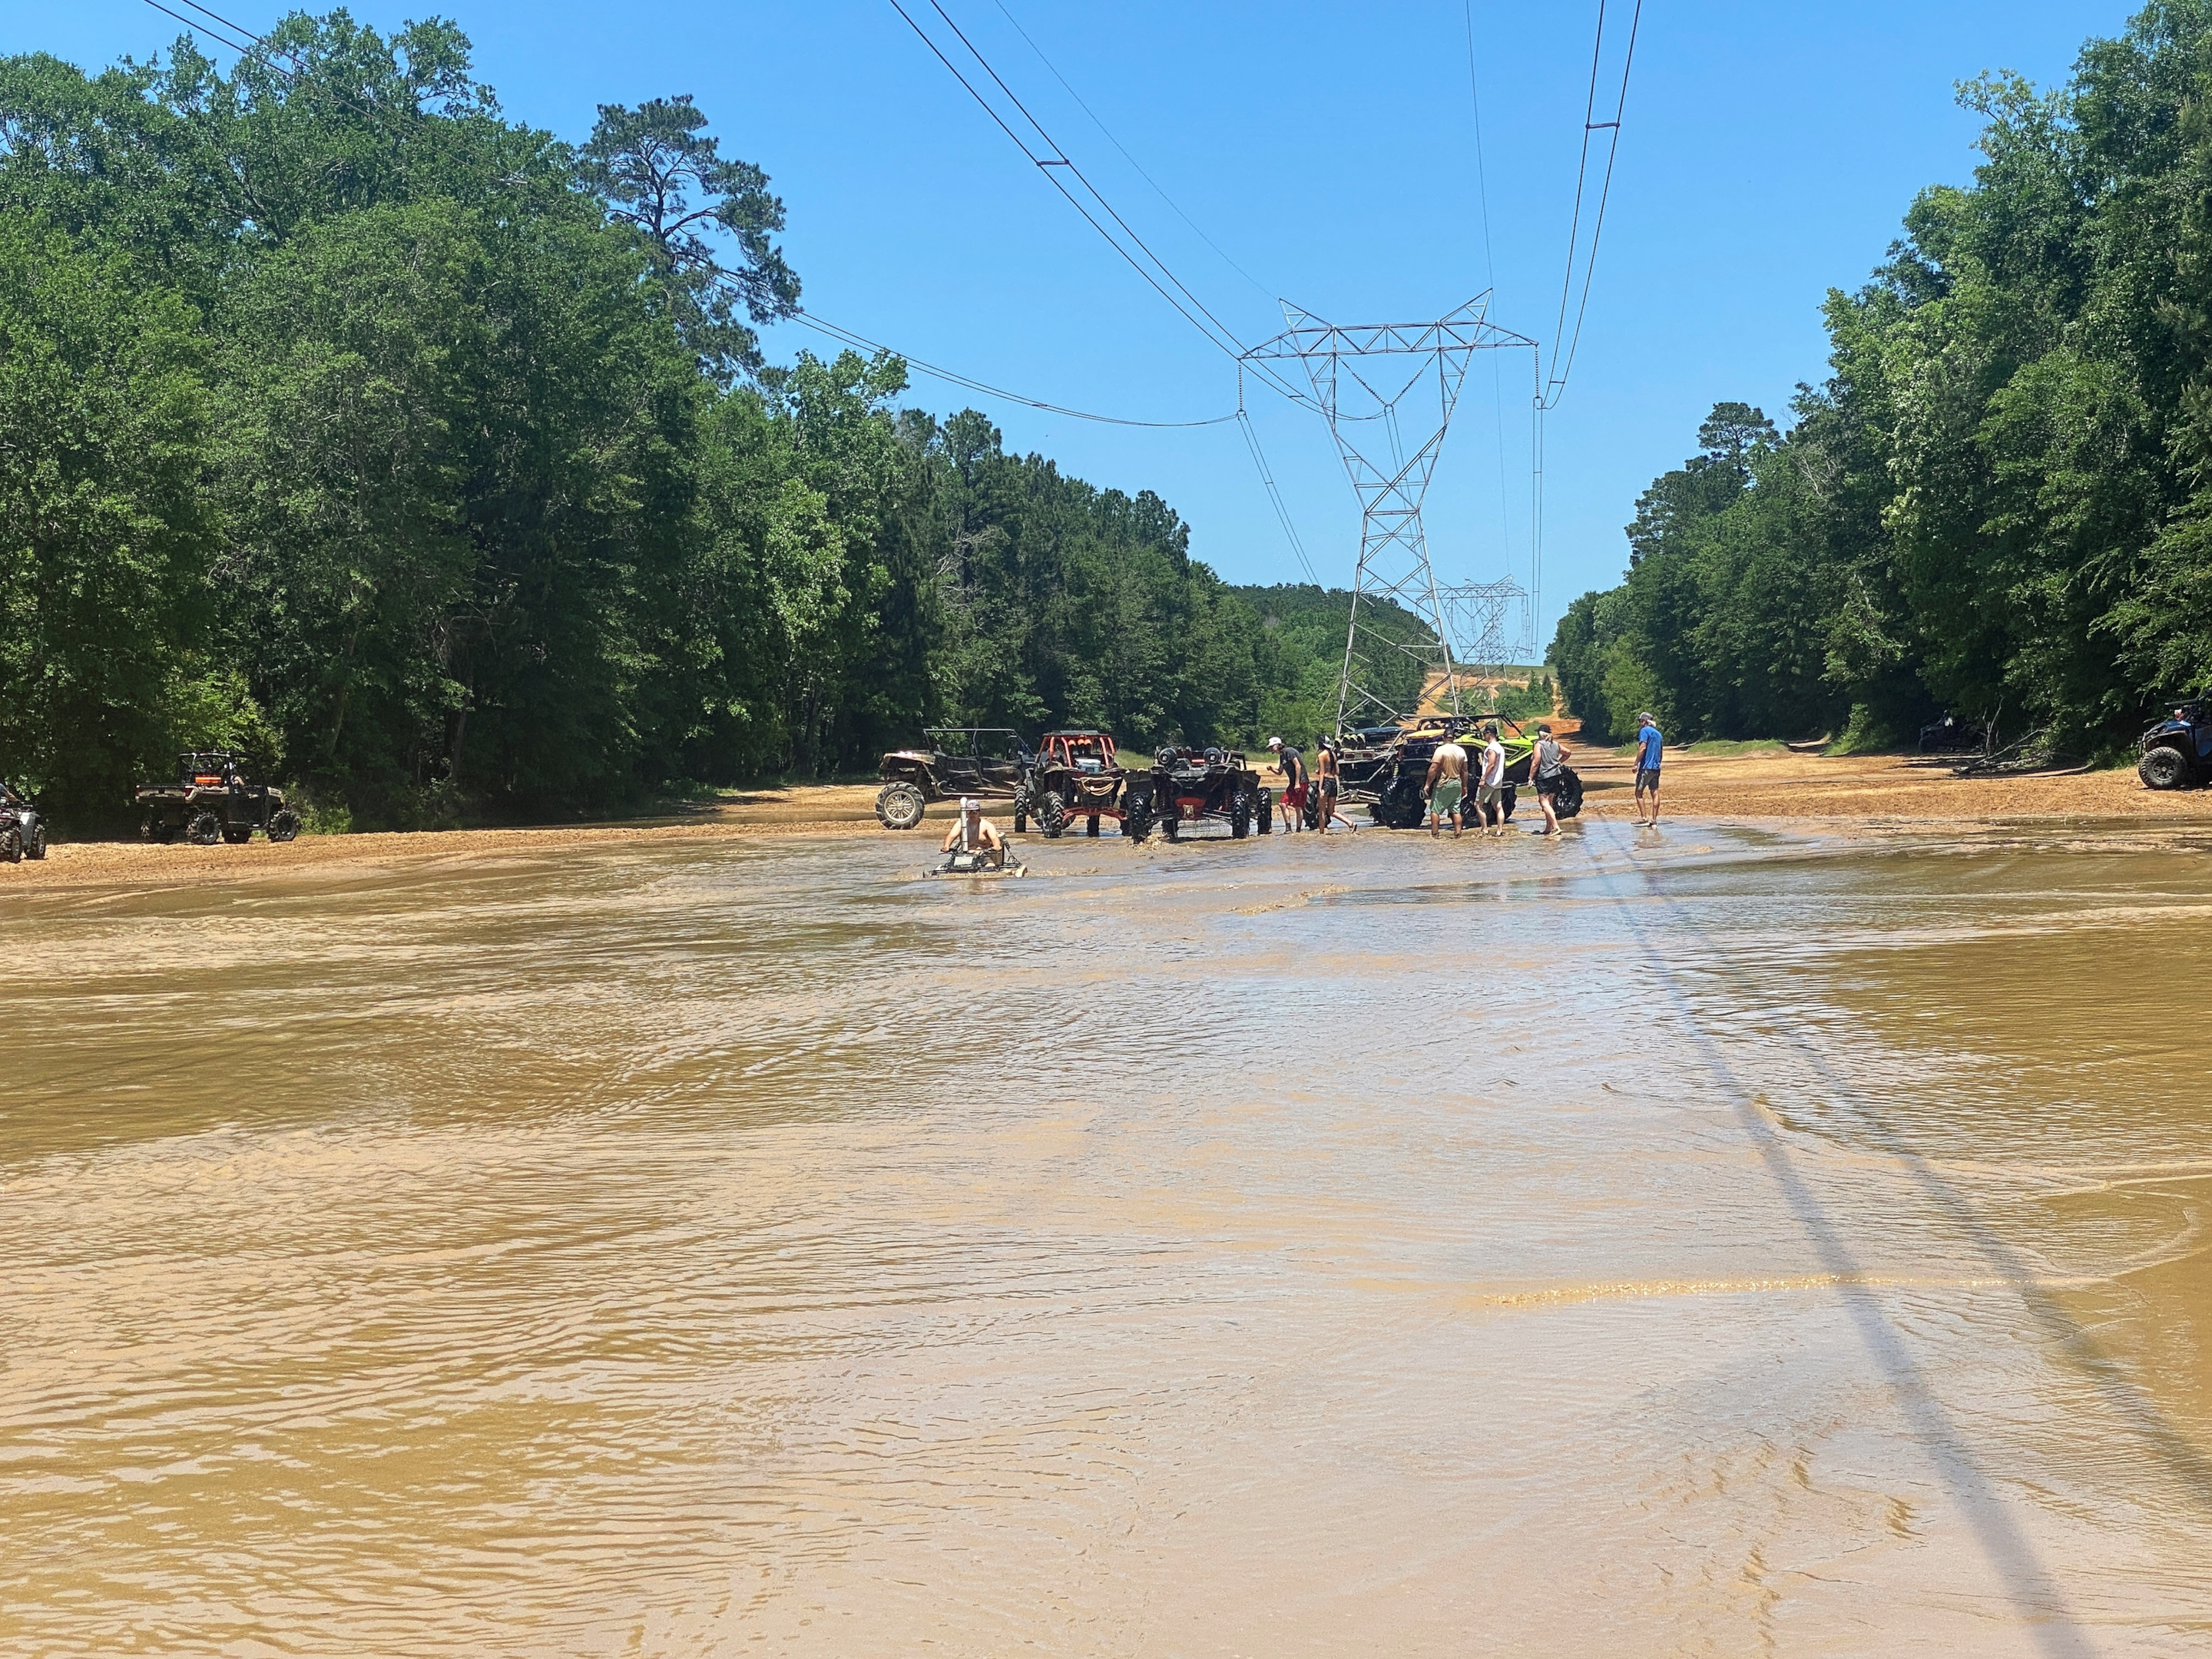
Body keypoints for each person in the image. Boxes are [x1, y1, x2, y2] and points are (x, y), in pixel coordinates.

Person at [1531, 722, 1572, 836]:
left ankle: (1556, 827)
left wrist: (1530, 777)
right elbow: (1568, 752)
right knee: (1549, 803)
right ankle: (1548, 828)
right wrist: (1558, 762)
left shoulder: (1539, 745)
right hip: (1555, 775)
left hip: (1544, 776)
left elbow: (1536, 762)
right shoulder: (1555, 744)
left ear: (1540, 734)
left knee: (1544, 803)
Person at [941, 796, 1007, 867]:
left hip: (982, 854)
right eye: (970, 812)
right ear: (966, 813)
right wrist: (946, 846)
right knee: (952, 868)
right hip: (964, 855)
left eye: (974, 812)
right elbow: (951, 836)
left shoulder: (987, 825)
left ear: (979, 812)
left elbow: (994, 838)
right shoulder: (960, 824)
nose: (972, 815)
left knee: (990, 866)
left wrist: (996, 846)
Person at [1426, 730, 1469, 838]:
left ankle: (1435, 834)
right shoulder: (1461, 751)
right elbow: (1465, 771)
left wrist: (1427, 784)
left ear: (1444, 737)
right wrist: (1465, 786)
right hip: (1457, 783)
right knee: (1455, 810)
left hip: (1444, 783)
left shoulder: (1440, 750)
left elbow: (1433, 768)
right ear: (1453, 738)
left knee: (1435, 810)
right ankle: (1458, 833)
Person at [1472, 722, 1508, 837]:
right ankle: (1500, 830)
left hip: (1489, 781)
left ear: (1489, 734)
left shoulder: (1491, 749)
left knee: (1478, 804)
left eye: (1485, 734)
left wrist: (1483, 778)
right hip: (1498, 781)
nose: (1484, 736)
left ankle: (1484, 829)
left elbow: (1491, 765)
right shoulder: (1500, 748)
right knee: (1498, 805)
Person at [1313, 737, 1357, 833]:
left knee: (1321, 810)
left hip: (1326, 783)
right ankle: (1350, 824)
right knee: (1331, 811)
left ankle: (1321, 833)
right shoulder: (1333, 755)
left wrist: (1320, 788)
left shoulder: (1321, 755)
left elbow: (1322, 773)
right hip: (1333, 782)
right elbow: (1337, 772)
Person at [1267, 737, 1307, 832]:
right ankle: (1288, 828)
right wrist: (1272, 769)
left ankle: (1298, 830)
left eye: (1272, 747)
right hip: (1293, 783)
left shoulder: (1289, 752)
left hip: (1301, 781)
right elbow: (1280, 772)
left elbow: (1298, 766)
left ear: (1277, 745)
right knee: (1282, 803)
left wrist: (1297, 783)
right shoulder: (1282, 755)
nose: (1271, 749)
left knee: (1298, 806)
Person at [1634, 711, 1664, 826]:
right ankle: (1654, 820)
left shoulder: (1644, 731)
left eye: (1641, 721)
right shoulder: (1658, 734)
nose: (1640, 723)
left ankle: (1644, 818)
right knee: (1655, 793)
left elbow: (1642, 748)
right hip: (1656, 768)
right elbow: (1661, 752)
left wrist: (1636, 763)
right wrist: (1658, 763)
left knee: (1638, 793)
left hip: (1646, 767)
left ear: (1645, 721)